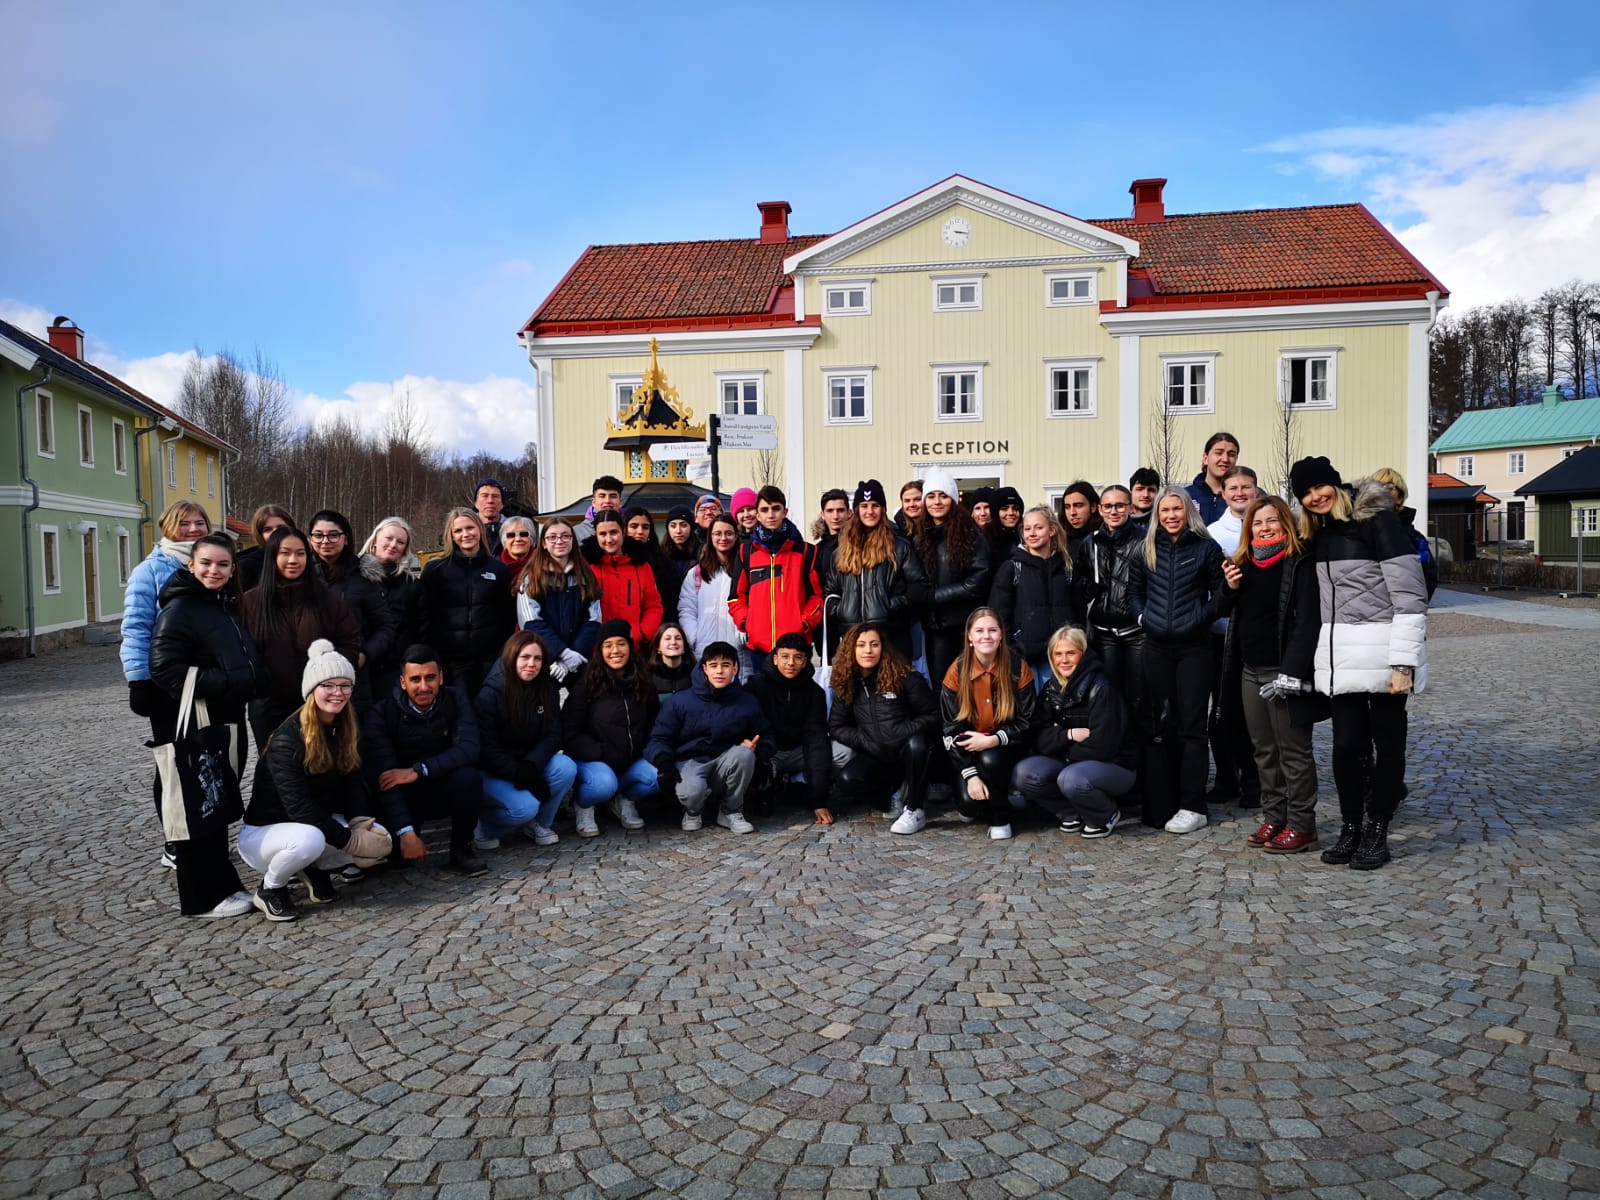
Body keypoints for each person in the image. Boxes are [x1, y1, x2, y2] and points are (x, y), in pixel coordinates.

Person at [1293, 456, 1427, 871]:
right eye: (1306, 493)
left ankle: (1377, 829)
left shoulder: (1379, 522)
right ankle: (1351, 825)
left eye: (1320, 488)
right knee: (1347, 747)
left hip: (1385, 656)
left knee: (1388, 745)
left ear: (1335, 485)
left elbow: (1409, 596)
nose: (1315, 497)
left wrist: (1403, 663)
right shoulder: (1320, 533)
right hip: (1340, 660)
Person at [147, 532, 262, 917]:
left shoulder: (223, 604)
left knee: (217, 804)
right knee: (199, 806)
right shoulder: (180, 608)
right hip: (201, 718)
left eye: (223, 564)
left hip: (225, 716)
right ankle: (201, 898)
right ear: (191, 565)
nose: (215, 570)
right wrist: (225, 682)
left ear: (233, 570)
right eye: (207, 563)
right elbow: (164, 667)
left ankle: (224, 886)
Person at [240, 640, 393, 921]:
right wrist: (351, 841)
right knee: (310, 839)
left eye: (345, 685)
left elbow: (352, 782)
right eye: (329, 685)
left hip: (308, 826)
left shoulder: (344, 727)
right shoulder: (287, 739)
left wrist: (360, 822)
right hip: (265, 834)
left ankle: (315, 870)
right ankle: (270, 889)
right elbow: (300, 808)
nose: (338, 693)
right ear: (312, 691)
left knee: (380, 835)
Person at [1218, 496, 1324, 855]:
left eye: (1271, 521)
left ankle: (1302, 825)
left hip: (1284, 673)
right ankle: (1274, 817)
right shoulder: (1244, 563)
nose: (1265, 528)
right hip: (1250, 670)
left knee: (1292, 751)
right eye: (1258, 522)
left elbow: (1308, 621)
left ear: (1286, 523)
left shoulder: (1300, 563)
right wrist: (1227, 588)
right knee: (1263, 751)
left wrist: (1292, 672)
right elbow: (1223, 608)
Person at [1128, 487, 1225, 834]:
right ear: (1157, 513)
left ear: (1188, 512)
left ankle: (1193, 804)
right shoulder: (1145, 549)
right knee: (1162, 725)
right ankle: (1166, 798)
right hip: (1155, 647)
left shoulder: (1206, 548)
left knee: (1193, 727)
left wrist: (1198, 619)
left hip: (1194, 649)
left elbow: (1222, 597)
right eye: (1165, 510)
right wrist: (1143, 619)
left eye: (1177, 509)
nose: (1171, 515)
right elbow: (1133, 594)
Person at [123, 499, 213, 868]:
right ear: (167, 527)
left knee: (206, 758)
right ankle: (175, 838)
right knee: (173, 762)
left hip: (207, 682)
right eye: (185, 523)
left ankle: (205, 830)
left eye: (199, 523)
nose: (193, 530)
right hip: (167, 684)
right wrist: (138, 679)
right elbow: (136, 627)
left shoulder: (214, 563)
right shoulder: (152, 570)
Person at [362, 644, 487, 876]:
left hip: (440, 785)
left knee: (469, 778)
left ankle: (461, 849)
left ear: (441, 677)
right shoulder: (381, 713)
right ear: (403, 682)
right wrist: (406, 832)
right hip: (405, 797)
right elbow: (385, 778)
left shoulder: (456, 699)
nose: (423, 686)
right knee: (394, 854)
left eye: (430, 678)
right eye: (415, 679)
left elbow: (469, 748)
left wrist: (419, 770)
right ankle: (405, 838)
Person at [1012, 626, 1136, 839]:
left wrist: (1060, 746)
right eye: (1058, 654)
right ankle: (1071, 813)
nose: (1064, 660)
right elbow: (1037, 736)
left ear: (1083, 654)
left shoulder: (1102, 688)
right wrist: (1068, 735)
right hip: (1072, 760)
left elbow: (1102, 746)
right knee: (1023, 773)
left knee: (1070, 779)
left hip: (1116, 766)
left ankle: (1105, 814)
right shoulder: (1051, 689)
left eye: (1071, 653)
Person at [244, 526, 362, 750]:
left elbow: (349, 642)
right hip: (268, 705)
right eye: (285, 553)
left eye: (300, 553)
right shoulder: (250, 603)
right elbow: (242, 651)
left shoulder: (328, 600)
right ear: (272, 557)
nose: (293, 560)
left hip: (318, 704)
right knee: (273, 771)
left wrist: (330, 679)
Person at [645, 640, 774, 834]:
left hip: (725, 761)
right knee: (692, 791)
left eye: (725, 665)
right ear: (704, 669)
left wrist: (762, 753)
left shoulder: (746, 701)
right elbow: (658, 738)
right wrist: (663, 762)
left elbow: (764, 733)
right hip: (690, 762)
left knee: (744, 754)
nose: (719, 671)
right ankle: (692, 811)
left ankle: (731, 811)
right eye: (713, 666)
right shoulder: (680, 701)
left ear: (735, 668)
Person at [1070, 485, 1148, 785]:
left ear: (1129, 508)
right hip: (1103, 631)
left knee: (1140, 699)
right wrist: (1088, 591)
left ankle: (1139, 773)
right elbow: (1079, 580)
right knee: (1108, 699)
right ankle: (1114, 763)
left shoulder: (1143, 540)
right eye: (1108, 506)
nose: (1114, 511)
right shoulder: (1090, 543)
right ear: (1099, 510)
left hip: (1136, 630)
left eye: (1120, 505)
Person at [828, 623, 939, 826]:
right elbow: (836, 726)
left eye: (874, 644)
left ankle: (915, 809)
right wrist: (864, 739)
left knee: (917, 745)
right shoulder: (847, 681)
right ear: (851, 649)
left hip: (907, 751)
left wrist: (903, 731)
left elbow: (933, 714)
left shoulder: (905, 676)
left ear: (883, 647)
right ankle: (891, 802)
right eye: (861, 645)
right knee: (847, 779)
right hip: (875, 754)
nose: (868, 651)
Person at [473, 631, 577, 848]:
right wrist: (519, 772)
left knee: (565, 767)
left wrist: (531, 765)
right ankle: (485, 825)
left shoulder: (547, 689)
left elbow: (553, 734)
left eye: (537, 658)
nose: (531, 664)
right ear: (512, 657)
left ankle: (538, 823)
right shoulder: (489, 694)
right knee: (524, 808)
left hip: (527, 761)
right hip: (493, 771)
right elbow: (486, 750)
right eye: (525, 657)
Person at [939, 607, 1036, 840]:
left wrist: (995, 739)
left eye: (993, 630)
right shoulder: (956, 671)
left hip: (1007, 746)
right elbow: (949, 731)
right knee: (967, 806)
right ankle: (983, 793)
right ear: (969, 637)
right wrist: (969, 774)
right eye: (980, 631)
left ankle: (1000, 816)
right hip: (967, 751)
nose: (986, 636)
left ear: (1001, 635)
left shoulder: (1017, 667)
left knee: (991, 758)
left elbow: (1029, 721)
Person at [562, 619, 659, 836]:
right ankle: (584, 805)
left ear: (630, 646)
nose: (615, 650)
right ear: (600, 651)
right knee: (604, 784)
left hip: (631, 761)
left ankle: (623, 800)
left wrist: (648, 749)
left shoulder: (643, 681)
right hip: (596, 762)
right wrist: (602, 752)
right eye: (608, 645)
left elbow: (655, 721)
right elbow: (570, 733)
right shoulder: (586, 684)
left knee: (657, 775)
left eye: (621, 643)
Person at [820, 478, 929, 661]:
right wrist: (841, 610)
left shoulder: (900, 547)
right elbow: (830, 592)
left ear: (883, 509)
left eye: (875, 505)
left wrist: (890, 607)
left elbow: (918, 588)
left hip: (892, 637)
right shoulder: (841, 550)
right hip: (853, 639)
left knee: (892, 689)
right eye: (864, 505)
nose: (869, 511)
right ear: (856, 510)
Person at [1203, 469, 1262, 808]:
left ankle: (1255, 779)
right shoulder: (1213, 534)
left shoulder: (1267, 526)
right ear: (1223, 494)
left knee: (1253, 712)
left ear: (1255, 490)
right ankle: (1227, 776)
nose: (1240, 493)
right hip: (1220, 634)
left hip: (1254, 633)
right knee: (1221, 712)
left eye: (1246, 487)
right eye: (1233, 488)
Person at [728, 486, 822, 680]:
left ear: (785, 512)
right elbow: (735, 598)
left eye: (776, 508)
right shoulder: (745, 553)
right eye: (764, 509)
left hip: (795, 648)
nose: (771, 514)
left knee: (795, 705)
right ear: (758, 515)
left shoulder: (806, 552)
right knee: (764, 705)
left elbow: (817, 598)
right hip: (760, 649)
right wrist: (747, 623)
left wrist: (803, 623)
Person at [420, 507, 515, 699]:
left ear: (480, 529)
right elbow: (425, 616)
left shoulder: (498, 570)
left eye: (470, 528)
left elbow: (507, 615)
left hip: (490, 659)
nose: (466, 534)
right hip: (451, 661)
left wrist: (502, 652)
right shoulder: (436, 570)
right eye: (458, 531)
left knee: (489, 712)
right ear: (452, 536)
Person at [308, 508, 398, 710]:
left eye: (333, 535)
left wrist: (364, 655)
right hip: (309, 674)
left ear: (346, 538)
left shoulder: (363, 577)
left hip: (352, 676)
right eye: (318, 535)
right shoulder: (301, 575)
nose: (325, 541)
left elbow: (385, 627)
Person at [912, 469, 991, 689]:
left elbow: (978, 581)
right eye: (931, 496)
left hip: (964, 625)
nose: (937, 502)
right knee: (942, 688)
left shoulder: (971, 534)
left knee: (971, 687)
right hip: (935, 628)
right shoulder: (921, 538)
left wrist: (934, 597)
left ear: (954, 499)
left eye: (943, 495)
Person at [747, 632, 836, 823]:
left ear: (805, 661)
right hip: (769, 751)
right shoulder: (757, 686)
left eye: (798, 657)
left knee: (836, 753)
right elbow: (748, 727)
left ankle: (800, 784)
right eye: (785, 656)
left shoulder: (815, 693)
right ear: (775, 658)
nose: (791, 663)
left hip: (799, 752)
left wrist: (818, 801)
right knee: (746, 754)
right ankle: (765, 790)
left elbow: (816, 739)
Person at [989, 504, 1071, 686]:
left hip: (1059, 653)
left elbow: (1076, 609)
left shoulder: (1066, 569)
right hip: (1024, 654)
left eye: (1038, 527)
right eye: (1027, 528)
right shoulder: (1012, 568)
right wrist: (1012, 646)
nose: (1032, 533)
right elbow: (999, 612)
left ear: (1052, 530)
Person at [515, 517, 601, 683]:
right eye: (552, 537)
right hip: (545, 659)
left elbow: (593, 620)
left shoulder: (586, 576)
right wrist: (561, 653)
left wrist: (574, 656)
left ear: (572, 541)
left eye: (565, 536)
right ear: (543, 543)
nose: (559, 541)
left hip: (579, 658)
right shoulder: (531, 577)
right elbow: (531, 622)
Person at [582, 509, 663, 651]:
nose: (609, 539)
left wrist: (642, 633)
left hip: (633, 645)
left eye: (614, 532)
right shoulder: (586, 567)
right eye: (603, 534)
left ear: (623, 532)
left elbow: (653, 605)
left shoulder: (641, 565)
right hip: (596, 647)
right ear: (596, 535)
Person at [358, 516, 423, 689]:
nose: (393, 545)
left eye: (400, 542)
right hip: (357, 665)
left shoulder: (412, 586)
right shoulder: (353, 578)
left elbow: (418, 630)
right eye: (389, 538)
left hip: (393, 671)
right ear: (375, 540)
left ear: (405, 550)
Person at [678, 513, 743, 664]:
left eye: (728, 533)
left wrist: (743, 634)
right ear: (710, 536)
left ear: (736, 536)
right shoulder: (697, 573)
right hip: (704, 648)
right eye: (717, 533)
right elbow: (687, 608)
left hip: (738, 648)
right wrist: (693, 637)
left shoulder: (745, 569)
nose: (723, 538)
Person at [1370, 466, 1439, 599]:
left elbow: (1428, 577)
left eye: (1388, 487)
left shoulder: (1415, 538)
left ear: (1400, 498)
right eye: (1376, 487)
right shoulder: (1355, 531)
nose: (1381, 492)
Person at [623, 504, 681, 623]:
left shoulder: (664, 563)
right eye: (634, 526)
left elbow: (672, 601)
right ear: (624, 529)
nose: (640, 531)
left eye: (645, 527)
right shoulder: (616, 560)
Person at [1186, 432, 1240, 525]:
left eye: (1231, 454)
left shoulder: (1246, 496)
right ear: (1205, 458)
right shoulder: (1186, 496)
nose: (1225, 459)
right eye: (1219, 453)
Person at [236, 504, 292, 592]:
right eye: (267, 529)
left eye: (281, 527)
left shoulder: (304, 559)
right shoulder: (247, 566)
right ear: (260, 535)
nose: (275, 532)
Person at [659, 505, 701, 617]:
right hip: (667, 616)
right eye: (673, 526)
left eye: (683, 525)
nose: (678, 531)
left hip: (696, 613)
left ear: (691, 527)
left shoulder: (702, 554)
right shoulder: (659, 556)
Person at [648, 621, 694, 699]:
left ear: (684, 646)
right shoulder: (647, 676)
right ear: (658, 647)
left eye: (678, 638)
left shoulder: (695, 674)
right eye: (667, 639)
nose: (673, 642)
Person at [573, 474, 625, 543]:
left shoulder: (629, 530)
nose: (607, 501)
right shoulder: (577, 533)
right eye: (602, 496)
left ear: (620, 502)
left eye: (613, 496)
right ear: (594, 502)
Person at [1058, 480, 1102, 564]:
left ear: (1093, 507)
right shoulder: (1060, 541)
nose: (1072, 512)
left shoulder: (1104, 536)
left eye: (1078, 506)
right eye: (1067, 507)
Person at [497, 515, 538, 582]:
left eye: (524, 534)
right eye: (511, 535)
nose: (518, 539)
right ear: (504, 541)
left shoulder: (543, 565)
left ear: (531, 539)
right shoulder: (494, 569)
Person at [475, 477, 507, 556]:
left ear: (502, 504)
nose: (490, 501)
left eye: (495, 496)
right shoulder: (465, 532)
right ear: (475, 503)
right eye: (485, 496)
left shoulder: (514, 531)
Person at [992, 486, 1025, 552]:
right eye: (1004, 509)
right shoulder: (986, 539)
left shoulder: (1027, 536)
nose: (1011, 513)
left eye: (1015, 508)